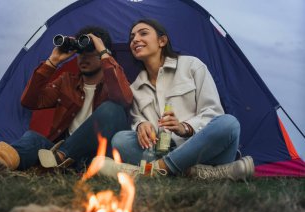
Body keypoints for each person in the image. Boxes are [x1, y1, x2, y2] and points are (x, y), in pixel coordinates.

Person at [0, 26, 133, 174]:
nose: (83, 57)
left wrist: (103, 52)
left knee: (111, 109)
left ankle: (55, 160)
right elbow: (30, 101)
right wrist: (52, 61)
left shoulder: (115, 82)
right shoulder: (67, 81)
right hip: (61, 156)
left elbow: (123, 100)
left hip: (96, 157)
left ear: (103, 53)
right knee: (33, 138)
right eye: (80, 51)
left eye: (90, 51)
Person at [99, 19, 254, 180]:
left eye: (143, 33)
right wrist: (140, 125)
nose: (135, 39)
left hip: (202, 148)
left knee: (229, 124)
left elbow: (213, 112)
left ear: (162, 41)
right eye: (132, 37)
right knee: (120, 140)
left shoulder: (192, 66)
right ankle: (200, 173)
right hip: (161, 150)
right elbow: (137, 122)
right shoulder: (136, 88)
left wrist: (185, 128)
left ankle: (157, 170)